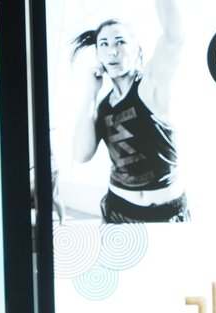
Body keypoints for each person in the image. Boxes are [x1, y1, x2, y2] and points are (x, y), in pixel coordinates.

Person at [71, 0, 188, 223]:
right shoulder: (102, 105)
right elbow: (81, 155)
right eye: (104, 44)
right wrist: (90, 94)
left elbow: (174, 37)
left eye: (120, 42)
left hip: (167, 214)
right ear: (98, 55)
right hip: (118, 211)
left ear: (136, 49)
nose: (112, 51)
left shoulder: (150, 86)